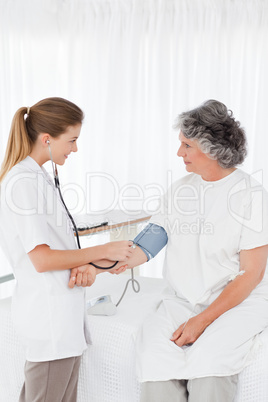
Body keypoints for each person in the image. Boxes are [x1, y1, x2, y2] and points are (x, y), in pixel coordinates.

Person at [73, 99, 268, 401]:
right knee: (154, 363)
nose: (180, 153)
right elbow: (150, 241)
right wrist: (100, 265)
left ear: (212, 148)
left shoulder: (252, 196)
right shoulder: (181, 189)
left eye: (186, 145)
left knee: (210, 365)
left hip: (236, 304)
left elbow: (251, 274)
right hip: (181, 300)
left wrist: (201, 322)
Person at [0, 97, 134, 402]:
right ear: (47, 139)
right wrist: (103, 247)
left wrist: (99, 261)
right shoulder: (21, 183)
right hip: (49, 319)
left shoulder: (38, 177)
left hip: (62, 317)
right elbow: (42, 259)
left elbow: (56, 248)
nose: (75, 149)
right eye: (72, 140)